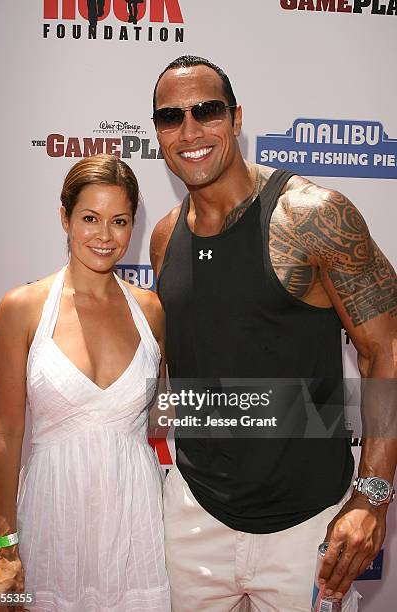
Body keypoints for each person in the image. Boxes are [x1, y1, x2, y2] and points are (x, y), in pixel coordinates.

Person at [150, 55, 397, 611]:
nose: (189, 131)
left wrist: (373, 497)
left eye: (206, 111)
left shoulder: (312, 215)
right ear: (158, 132)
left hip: (308, 526)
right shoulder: (164, 238)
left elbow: (388, 350)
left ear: (237, 118)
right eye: (170, 118)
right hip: (192, 517)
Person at [0, 154, 170, 612]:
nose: (105, 236)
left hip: (136, 519)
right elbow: (6, 435)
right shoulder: (22, 307)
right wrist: (7, 546)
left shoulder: (150, 311)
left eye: (120, 221)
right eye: (90, 218)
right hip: (52, 516)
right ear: (64, 217)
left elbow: (160, 415)